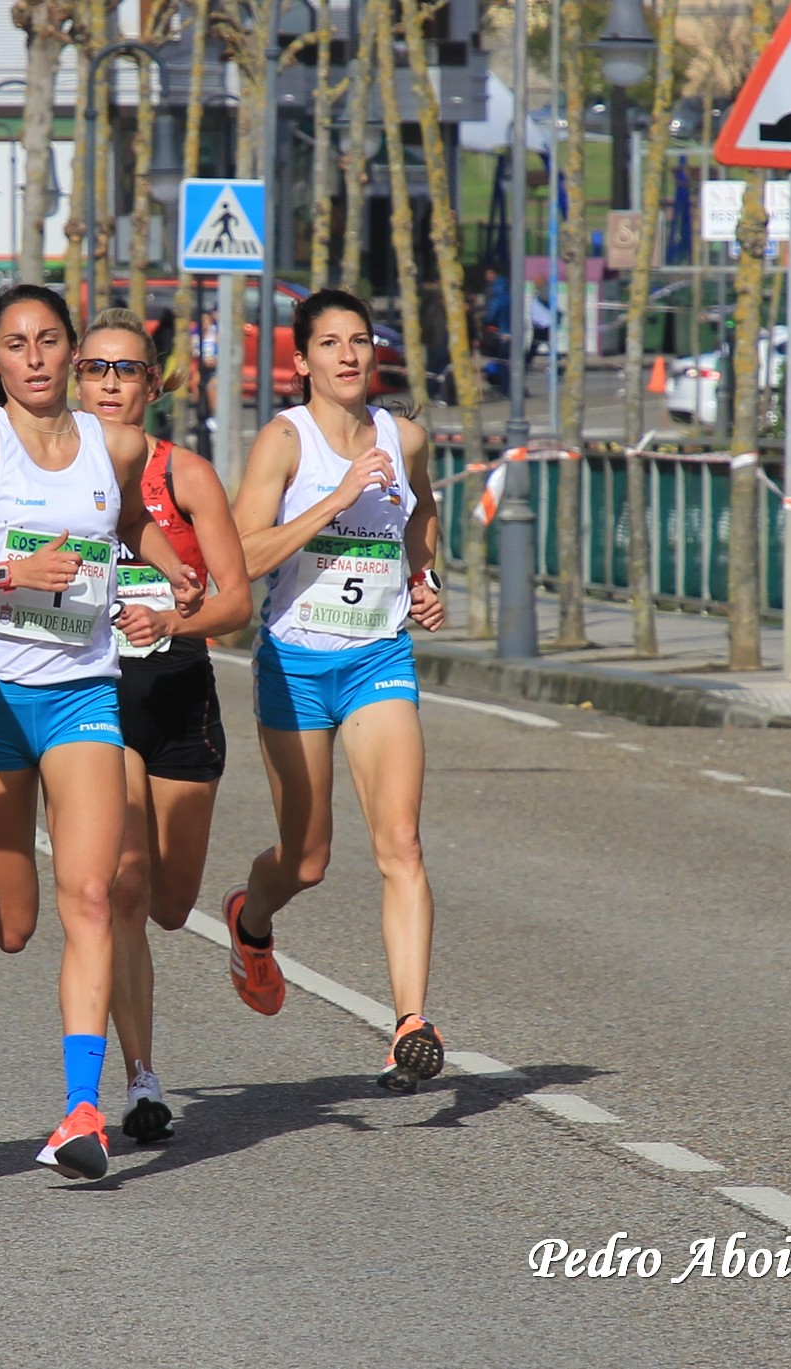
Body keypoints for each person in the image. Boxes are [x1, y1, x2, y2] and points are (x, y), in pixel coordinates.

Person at [0, 283, 202, 1181]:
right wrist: (11, 570)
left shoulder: (112, 446)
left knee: (91, 897)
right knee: (15, 921)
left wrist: (175, 570)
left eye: (48, 341)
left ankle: (81, 1109)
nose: (34, 357)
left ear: (69, 352)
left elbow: (127, 519)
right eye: (15, 343)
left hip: (84, 693)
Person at [225, 288, 450, 1094]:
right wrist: (337, 497)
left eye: (360, 340)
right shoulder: (284, 442)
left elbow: (421, 508)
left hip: (376, 657)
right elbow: (243, 557)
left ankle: (411, 1023)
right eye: (330, 342)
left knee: (402, 843)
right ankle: (251, 920)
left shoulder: (406, 437)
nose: (349, 355)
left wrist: (424, 576)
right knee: (308, 856)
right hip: (293, 662)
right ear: (302, 360)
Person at [77, 310, 252, 1145]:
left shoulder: (184, 474)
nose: (110, 384)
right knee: (126, 886)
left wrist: (173, 622)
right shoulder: (46, 473)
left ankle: (237, 912)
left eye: (127, 370)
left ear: (154, 383)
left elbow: (237, 601)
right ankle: (141, 1079)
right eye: (96, 369)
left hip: (178, 685)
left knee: (174, 906)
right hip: (92, 692)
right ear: (77, 380)